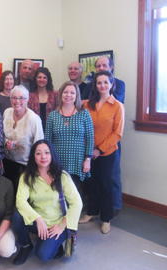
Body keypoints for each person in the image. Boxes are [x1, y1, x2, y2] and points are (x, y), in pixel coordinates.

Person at [12, 140, 82, 265]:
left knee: (43, 255)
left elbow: (77, 203)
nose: (43, 156)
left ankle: (56, 241)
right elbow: (20, 201)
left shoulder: (62, 176)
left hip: (57, 224)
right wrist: (38, 219)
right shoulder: (27, 176)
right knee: (17, 216)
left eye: (46, 153)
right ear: (34, 156)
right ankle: (26, 245)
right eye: (38, 153)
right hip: (38, 221)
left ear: (52, 155)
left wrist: (61, 225)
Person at [79, 70, 124, 234]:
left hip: (106, 153)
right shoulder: (88, 104)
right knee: (90, 183)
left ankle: (106, 218)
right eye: (99, 83)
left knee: (105, 185)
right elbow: (81, 126)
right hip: (88, 152)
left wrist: (99, 150)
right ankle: (91, 212)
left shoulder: (117, 106)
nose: (102, 85)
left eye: (106, 82)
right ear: (95, 85)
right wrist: (88, 148)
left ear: (112, 84)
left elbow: (117, 133)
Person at [45, 81, 94, 190]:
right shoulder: (53, 115)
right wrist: (48, 161)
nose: (68, 95)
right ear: (61, 94)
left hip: (77, 161)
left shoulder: (84, 114)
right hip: (57, 161)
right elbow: (48, 141)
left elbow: (90, 138)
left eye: (72, 93)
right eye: (65, 92)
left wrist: (88, 160)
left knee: (74, 195)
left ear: (77, 96)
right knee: (57, 193)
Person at [3, 85, 44, 194]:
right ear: (10, 99)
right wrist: (6, 142)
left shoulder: (33, 119)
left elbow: (39, 144)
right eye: (14, 98)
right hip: (8, 161)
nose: (17, 101)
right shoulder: (7, 112)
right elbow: (2, 135)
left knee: (22, 194)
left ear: (27, 100)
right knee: (9, 192)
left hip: (26, 164)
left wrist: (38, 167)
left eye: (21, 98)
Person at [28, 67, 58, 131]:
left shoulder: (54, 96)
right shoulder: (30, 96)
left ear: (48, 80)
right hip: (34, 130)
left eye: (45, 77)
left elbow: (58, 115)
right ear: (35, 79)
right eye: (39, 77)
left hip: (51, 131)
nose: (42, 80)